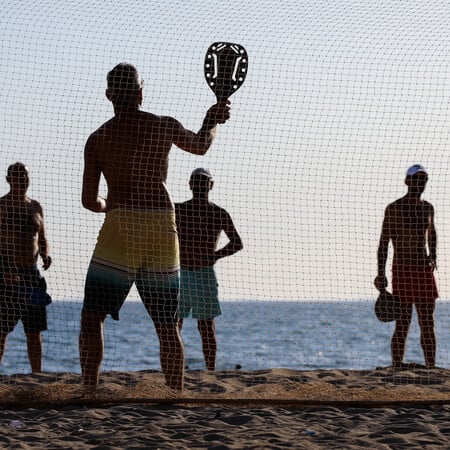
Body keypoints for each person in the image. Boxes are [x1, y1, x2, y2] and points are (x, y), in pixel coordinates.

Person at [80, 63, 230, 391]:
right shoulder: (162, 126)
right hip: (162, 226)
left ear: (108, 96)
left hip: (121, 225)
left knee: (92, 318)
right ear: (140, 93)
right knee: (166, 325)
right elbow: (201, 144)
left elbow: (90, 202)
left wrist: (110, 203)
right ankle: (175, 392)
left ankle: (89, 390)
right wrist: (212, 119)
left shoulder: (98, 139)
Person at [176, 168, 243, 370]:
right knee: (173, 325)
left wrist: (215, 256)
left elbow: (237, 243)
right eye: (196, 181)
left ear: (210, 185)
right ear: (189, 185)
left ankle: (210, 370)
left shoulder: (218, 213)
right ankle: (175, 367)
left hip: (203, 275)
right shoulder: (177, 209)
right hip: (181, 273)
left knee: (205, 326)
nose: (199, 185)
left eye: (203, 181)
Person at [375, 164, 438, 368]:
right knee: (403, 323)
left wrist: (433, 254)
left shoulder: (428, 207)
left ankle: (431, 367)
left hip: (423, 270)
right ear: (407, 181)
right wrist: (380, 274)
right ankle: (396, 365)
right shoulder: (393, 208)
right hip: (402, 270)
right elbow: (384, 242)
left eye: (424, 180)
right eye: (417, 179)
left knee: (427, 322)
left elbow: (432, 233)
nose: (420, 183)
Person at [0, 162, 52, 373]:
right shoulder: (2, 206)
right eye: (18, 177)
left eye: (26, 177)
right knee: (2, 329)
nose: (23, 181)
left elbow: (42, 238)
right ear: (9, 179)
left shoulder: (35, 207)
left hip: (31, 275)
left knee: (34, 330)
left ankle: (37, 374)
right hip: (6, 274)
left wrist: (45, 254)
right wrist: (4, 270)